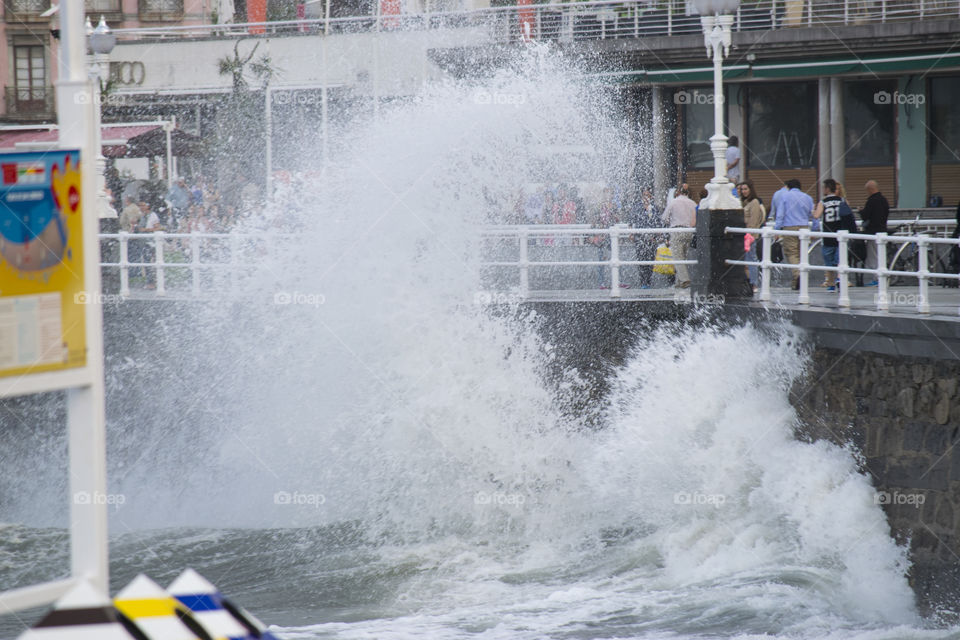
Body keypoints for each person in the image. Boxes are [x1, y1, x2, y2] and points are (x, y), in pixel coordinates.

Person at [812, 179, 855, 291]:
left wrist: (813, 210)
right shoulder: (842, 200)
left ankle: (830, 284)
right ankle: (840, 279)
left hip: (828, 235)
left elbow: (817, 216)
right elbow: (849, 214)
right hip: (841, 234)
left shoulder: (823, 202)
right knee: (840, 259)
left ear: (827, 189)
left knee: (828, 261)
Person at [774, 179, 815, 290]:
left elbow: (780, 215)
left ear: (788, 187)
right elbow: (814, 215)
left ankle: (798, 275)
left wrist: (776, 229)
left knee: (791, 253)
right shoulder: (808, 198)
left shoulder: (785, 197)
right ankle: (796, 281)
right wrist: (815, 229)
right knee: (802, 254)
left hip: (790, 227)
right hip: (804, 227)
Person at [661, 185, 697, 288]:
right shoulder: (693, 203)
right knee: (683, 257)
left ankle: (685, 280)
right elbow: (695, 220)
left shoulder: (674, 202)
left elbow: (664, 217)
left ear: (677, 193)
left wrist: (672, 220)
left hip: (677, 230)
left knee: (677, 257)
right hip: (689, 231)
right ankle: (679, 283)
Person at [860, 179, 890, 285]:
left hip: (873, 232)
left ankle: (877, 278)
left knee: (873, 256)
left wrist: (861, 211)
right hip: (883, 230)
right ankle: (881, 277)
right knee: (881, 255)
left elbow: (865, 215)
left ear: (870, 189)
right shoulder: (884, 200)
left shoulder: (871, 201)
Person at [630, 187, 659, 289]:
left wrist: (656, 236)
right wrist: (631, 233)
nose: (646, 198)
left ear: (651, 197)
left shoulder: (654, 207)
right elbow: (631, 220)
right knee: (641, 260)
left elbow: (658, 222)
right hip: (640, 237)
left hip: (651, 238)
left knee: (651, 260)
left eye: (648, 195)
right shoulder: (637, 207)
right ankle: (643, 282)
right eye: (644, 195)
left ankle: (649, 281)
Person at [738, 180, 764, 292]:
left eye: (745, 189)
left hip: (750, 236)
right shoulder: (743, 202)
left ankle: (754, 284)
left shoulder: (754, 202)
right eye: (742, 189)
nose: (743, 191)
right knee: (747, 260)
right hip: (743, 235)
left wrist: (750, 236)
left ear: (751, 190)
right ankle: (749, 282)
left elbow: (753, 220)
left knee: (751, 259)